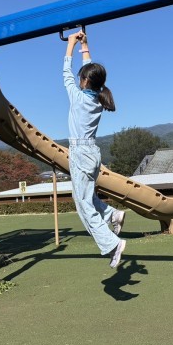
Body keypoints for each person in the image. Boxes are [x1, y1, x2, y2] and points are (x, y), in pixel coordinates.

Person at [63, 29, 126, 268]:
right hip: (93, 153)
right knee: (86, 196)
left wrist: (70, 45)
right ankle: (112, 214)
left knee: (83, 205)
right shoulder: (98, 97)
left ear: (85, 81)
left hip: (80, 153)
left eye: (82, 78)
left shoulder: (78, 98)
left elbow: (66, 73)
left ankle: (112, 244)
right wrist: (84, 46)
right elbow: (87, 71)